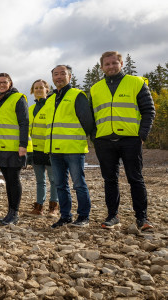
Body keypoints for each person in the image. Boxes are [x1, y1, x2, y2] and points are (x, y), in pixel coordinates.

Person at [90, 51, 156, 231]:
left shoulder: (136, 83)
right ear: (102, 67)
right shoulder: (95, 88)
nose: (111, 66)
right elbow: (91, 115)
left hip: (130, 140)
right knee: (109, 180)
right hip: (104, 141)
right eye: (107, 64)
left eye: (114, 63)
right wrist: (95, 136)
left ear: (121, 64)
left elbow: (149, 111)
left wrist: (142, 135)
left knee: (135, 178)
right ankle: (113, 216)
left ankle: (142, 218)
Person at [45, 65, 95, 229]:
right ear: (52, 77)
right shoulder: (50, 98)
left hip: (73, 148)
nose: (59, 77)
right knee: (60, 185)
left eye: (62, 74)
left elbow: (87, 121)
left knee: (78, 183)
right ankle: (65, 216)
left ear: (70, 76)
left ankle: (83, 217)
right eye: (56, 74)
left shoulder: (77, 95)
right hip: (55, 150)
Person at [0, 73, 29, 226]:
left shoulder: (18, 98)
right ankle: (10, 212)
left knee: (13, 180)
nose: (2, 85)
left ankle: (14, 213)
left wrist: (23, 145)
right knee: (8, 180)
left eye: (5, 82)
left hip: (14, 148)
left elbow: (24, 123)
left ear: (10, 83)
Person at [27, 79, 59, 217]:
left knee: (54, 180)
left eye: (41, 87)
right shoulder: (30, 109)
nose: (38, 90)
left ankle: (54, 207)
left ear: (47, 89)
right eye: (36, 88)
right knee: (40, 181)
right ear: (32, 91)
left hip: (49, 150)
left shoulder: (52, 106)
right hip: (35, 151)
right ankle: (39, 206)